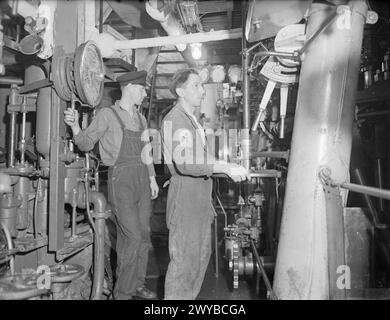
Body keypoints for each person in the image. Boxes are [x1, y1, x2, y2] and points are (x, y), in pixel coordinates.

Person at [64, 70, 159, 300]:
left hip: (142, 180)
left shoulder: (141, 118)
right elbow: (86, 144)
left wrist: (152, 177)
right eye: (142, 89)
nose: (145, 94)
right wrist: (76, 126)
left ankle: (136, 284)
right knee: (132, 236)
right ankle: (123, 294)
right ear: (130, 88)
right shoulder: (107, 114)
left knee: (144, 235)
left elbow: (147, 152)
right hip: (121, 179)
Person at [161, 68, 249, 299]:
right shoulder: (176, 119)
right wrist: (225, 167)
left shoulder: (192, 121)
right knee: (184, 264)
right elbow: (186, 163)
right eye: (196, 86)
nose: (202, 90)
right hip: (186, 197)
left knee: (200, 259)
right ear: (180, 90)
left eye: (202, 85)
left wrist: (225, 164)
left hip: (200, 198)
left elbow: (203, 159)